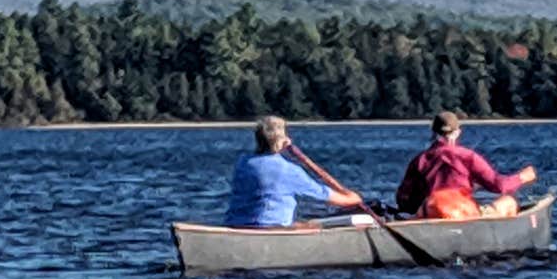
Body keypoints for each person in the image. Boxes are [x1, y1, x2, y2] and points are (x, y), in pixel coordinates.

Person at [224, 115, 363, 228]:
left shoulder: (243, 162)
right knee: (312, 227)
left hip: (235, 224)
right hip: (269, 227)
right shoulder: (287, 170)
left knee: (301, 224)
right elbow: (323, 194)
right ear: (282, 140)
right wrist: (352, 199)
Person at [395, 111, 536, 220]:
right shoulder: (468, 157)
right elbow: (499, 186)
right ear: (457, 132)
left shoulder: (420, 160)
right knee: (509, 201)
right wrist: (522, 177)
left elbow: (403, 199)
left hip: (429, 211)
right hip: (461, 212)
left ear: (434, 133)